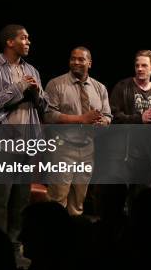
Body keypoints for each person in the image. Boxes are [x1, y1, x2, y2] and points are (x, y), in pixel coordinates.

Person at [0, 24, 48, 243]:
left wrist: (36, 93)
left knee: (21, 200)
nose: (29, 42)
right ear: (10, 42)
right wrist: (19, 87)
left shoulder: (32, 70)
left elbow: (44, 106)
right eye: (24, 38)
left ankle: (16, 245)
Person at [44, 47, 112, 215]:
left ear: (89, 63)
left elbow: (108, 116)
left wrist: (103, 122)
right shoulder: (55, 84)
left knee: (78, 202)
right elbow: (49, 115)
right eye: (73, 58)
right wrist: (81, 119)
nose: (76, 62)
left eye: (81, 59)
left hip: (88, 149)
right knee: (57, 199)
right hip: (62, 148)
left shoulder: (100, 88)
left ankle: (74, 237)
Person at [110, 50, 151, 184]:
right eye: (137, 65)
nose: (139, 69)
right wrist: (140, 119)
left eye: (144, 65)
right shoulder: (123, 87)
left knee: (143, 199)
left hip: (149, 158)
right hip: (125, 156)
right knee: (122, 199)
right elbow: (112, 117)